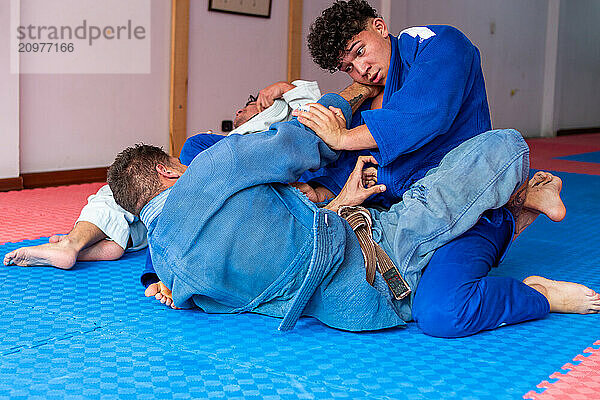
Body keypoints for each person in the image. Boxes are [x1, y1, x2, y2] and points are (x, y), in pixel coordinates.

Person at [106, 90, 596, 338]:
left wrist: (335, 200)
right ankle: (518, 223)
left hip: (363, 308)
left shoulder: (168, 270)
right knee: (505, 147)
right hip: (382, 248)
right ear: (170, 173)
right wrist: (349, 98)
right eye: (178, 165)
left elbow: (277, 245)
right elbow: (304, 142)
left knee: (440, 259)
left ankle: (511, 210)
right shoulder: (209, 168)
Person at [3, 80, 321, 270]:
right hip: (180, 198)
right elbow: (169, 189)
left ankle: (81, 242)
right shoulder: (207, 141)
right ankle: (96, 241)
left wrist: (285, 89)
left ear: (270, 109)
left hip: (218, 201)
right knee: (133, 188)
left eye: (250, 104)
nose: (239, 110)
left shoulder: (272, 132)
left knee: (129, 194)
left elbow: (313, 114)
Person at [299, 0, 500, 210]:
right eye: (348, 67)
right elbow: (349, 166)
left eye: (360, 52)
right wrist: (321, 191)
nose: (361, 69)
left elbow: (423, 116)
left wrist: (343, 138)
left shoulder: (439, 43)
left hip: (457, 189)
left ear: (380, 27)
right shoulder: (370, 93)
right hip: (395, 203)